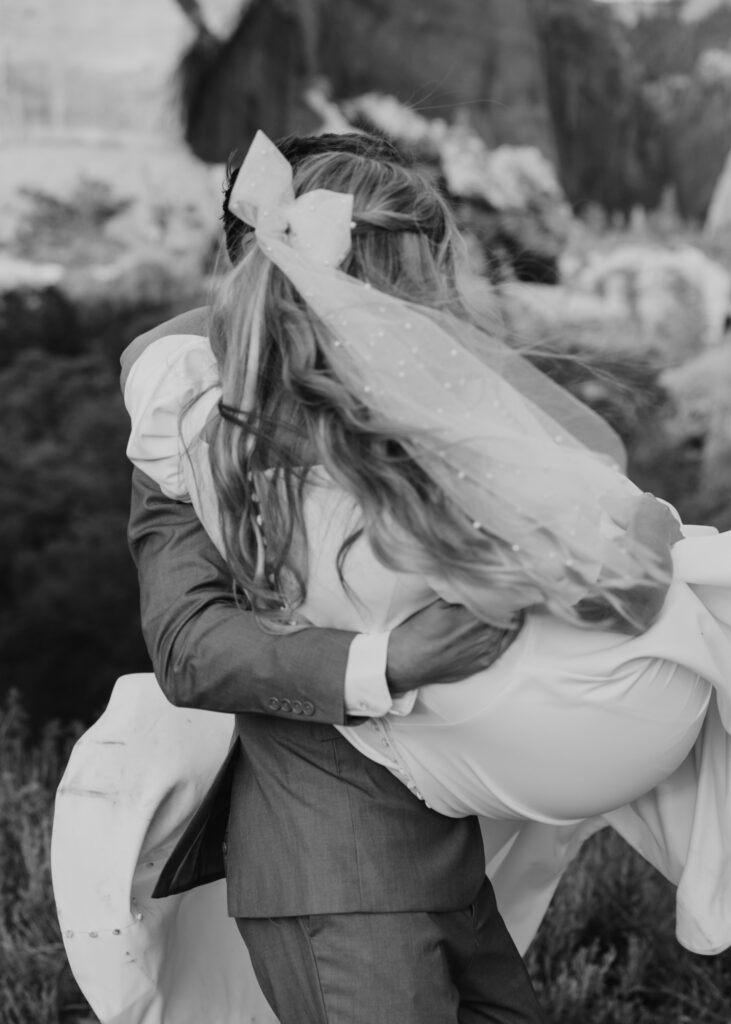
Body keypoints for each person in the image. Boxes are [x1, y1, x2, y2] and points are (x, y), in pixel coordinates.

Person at [53, 129, 731, 1023]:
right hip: (338, 863)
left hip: (448, 856)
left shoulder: (427, 401)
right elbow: (192, 647)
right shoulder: (193, 422)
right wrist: (388, 662)